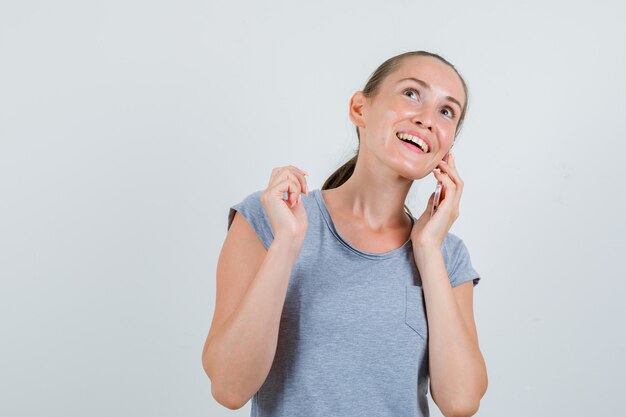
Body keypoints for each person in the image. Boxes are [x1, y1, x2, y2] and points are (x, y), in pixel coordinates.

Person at [202, 50, 488, 417]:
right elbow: (229, 387)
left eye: (447, 112)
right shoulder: (270, 217)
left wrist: (428, 251)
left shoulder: (448, 255)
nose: (427, 119)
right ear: (359, 108)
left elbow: (461, 402)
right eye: (412, 93)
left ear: (447, 149)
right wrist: (287, 244)